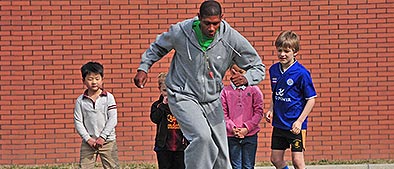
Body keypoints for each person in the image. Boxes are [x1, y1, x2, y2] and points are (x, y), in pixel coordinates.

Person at [133, 1, 265, 168]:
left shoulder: (231, 38)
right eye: (207, 23)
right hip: (182, 95)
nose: (211, 28)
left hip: (211, 100)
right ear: (199, 18)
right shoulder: (181, 32)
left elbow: (258, 66)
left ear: (222, 19)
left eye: (215, 24)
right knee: (202, 138)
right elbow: (158, 47)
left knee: (221, 156)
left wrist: (248, 78)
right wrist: (144, 67)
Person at [265, 30, 317, 169]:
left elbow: (311, 99)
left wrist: (299, 121)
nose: (282, 54)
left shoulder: (302, 73)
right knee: (276, 159)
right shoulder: (273, 70)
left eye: (286, 51)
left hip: (295, 126)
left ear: (295, 52)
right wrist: (271, 109)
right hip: (279, 124)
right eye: (280, 50)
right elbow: (275, 93)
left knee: (297, 161)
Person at [74, 61, 119, 169]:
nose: (94, 82)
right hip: (88, 142)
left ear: (102, 79)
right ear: (83, 81)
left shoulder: (109, 97)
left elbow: (113, 119)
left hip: (107, 141)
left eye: (97, 78)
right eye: (90, 79)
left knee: (112, 166)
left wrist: (102, 137)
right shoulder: (80, 101)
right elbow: (78, 121)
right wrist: (88, 139)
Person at [221, 64, 264, 169]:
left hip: (250, 135)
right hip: (232, 136)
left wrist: (246, 128)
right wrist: (233, 128)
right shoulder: (225, 91)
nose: (237, 74)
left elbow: (258, 112)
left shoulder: (255, 90)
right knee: (236, 166)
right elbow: (223, 113)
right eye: (234, 71)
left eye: (241, 71)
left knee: (248, 166)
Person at [150, 72, 188, 169]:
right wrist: (163, 106)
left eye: (171, 90)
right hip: (164, 146)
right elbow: (155, 118)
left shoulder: (181, 104)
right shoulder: (157, 105)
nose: (168, 94)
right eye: (165, 90)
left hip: (180, 145)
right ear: (160, 90)